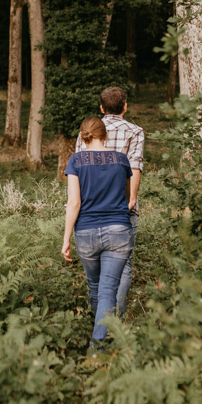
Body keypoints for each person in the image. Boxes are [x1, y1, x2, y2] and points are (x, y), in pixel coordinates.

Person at [62, 117, 134, 348]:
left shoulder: (76, 161)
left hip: (86, 233)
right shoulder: (121, 161)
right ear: (105, 135)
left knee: (95, 286)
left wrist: (66, 239)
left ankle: (96, 340)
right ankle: (99, 343)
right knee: (107, 290)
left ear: (83, 136)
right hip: (118, 231)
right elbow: (125, 197)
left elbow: (74, 203)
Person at [74, 87, 144, 316]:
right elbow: (135, 166)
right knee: (124, 267)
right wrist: (131, 199)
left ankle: (96, 319)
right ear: (125, 106)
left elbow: (79, 166)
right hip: (120, 208)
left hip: (90, 208)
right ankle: (116, 319)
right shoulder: (135, 131)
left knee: (94, 276)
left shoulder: (86, 131)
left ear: (101, 108)